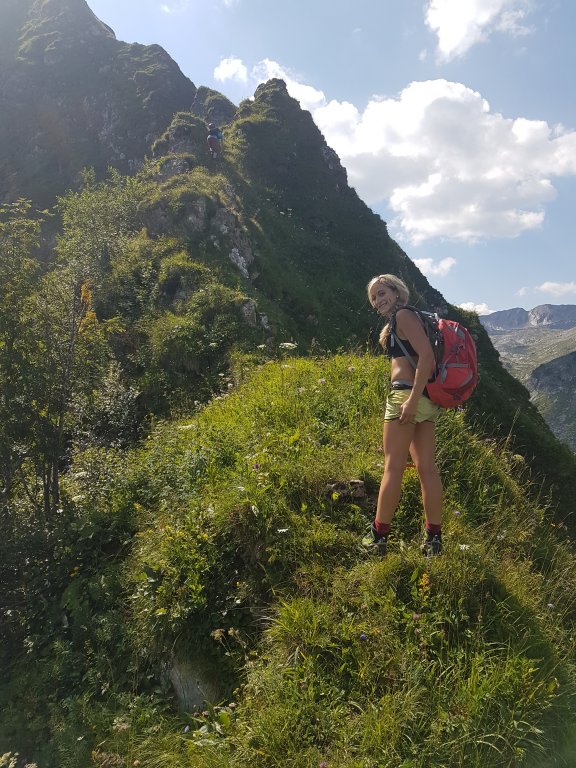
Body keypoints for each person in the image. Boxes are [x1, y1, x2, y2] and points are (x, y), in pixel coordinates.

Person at [363, 274, 443, 556]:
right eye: (374, 298)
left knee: (393, 468)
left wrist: (410, 400)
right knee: (427, 469)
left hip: (406, 397)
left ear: (396, 292)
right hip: (425, 400)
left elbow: (427, 357)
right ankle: (433, 540)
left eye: (382, 293)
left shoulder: (404, 315)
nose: (378, 301)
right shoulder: (408, 319)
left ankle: (378, 538)